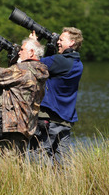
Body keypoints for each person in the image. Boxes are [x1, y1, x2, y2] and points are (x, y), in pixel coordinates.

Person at [29, 27, 84, 166]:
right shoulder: (77, 63)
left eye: (61, 39)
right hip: (65, 120)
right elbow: (49, 69)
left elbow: (35, 64)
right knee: (63, 161)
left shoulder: (60, 61)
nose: (58, 42)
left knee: (39, 156)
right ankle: (65, 187)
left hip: (50, 118)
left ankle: (43, 187)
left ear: (71, 42)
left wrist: (34, 45)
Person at [0, 37, 49, 157]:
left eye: (22, 49)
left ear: (31, 52)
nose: (19, 52)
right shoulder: (39, 70)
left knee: (5, 166)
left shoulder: (22, 70)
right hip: (26, 125)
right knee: (18, 163)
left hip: (11, 126)